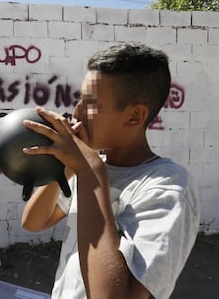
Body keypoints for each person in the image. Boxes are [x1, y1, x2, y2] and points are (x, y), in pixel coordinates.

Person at [21, 43, 200, 299]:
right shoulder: (89, 166)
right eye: (80, 98)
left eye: (91, 102)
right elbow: (34, 221)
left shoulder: (169, 187)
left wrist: (90, 170)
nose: (77, 112)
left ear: (134, 116)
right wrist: (64, 167)